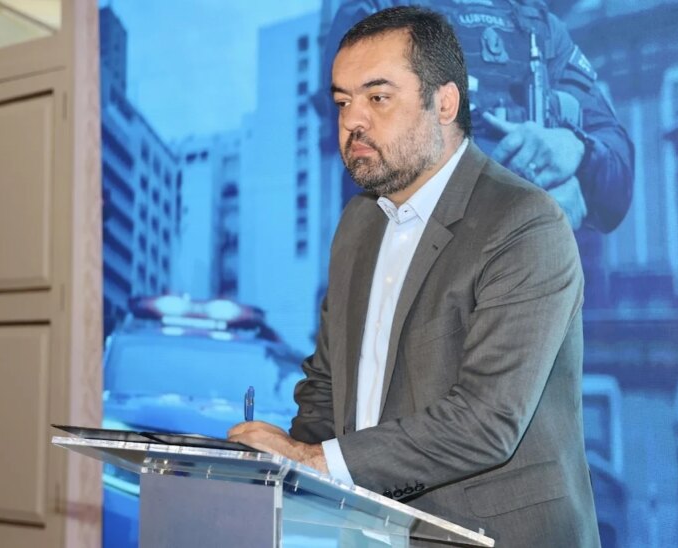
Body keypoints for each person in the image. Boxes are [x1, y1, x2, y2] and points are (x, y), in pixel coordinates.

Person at [230, 6, 599, 546]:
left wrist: (312, 461)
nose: (353, 121)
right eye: (342, 102)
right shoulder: (358, 223)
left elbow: (485, 422)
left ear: (444, 103)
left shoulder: (525, 222)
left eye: (377, 98)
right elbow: (330, 383)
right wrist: (281, 464)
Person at [317, 0, 634, 234]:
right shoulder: (376, 12)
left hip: (529, 284)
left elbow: (618, 183)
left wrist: (575, 150)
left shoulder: (541, 28)